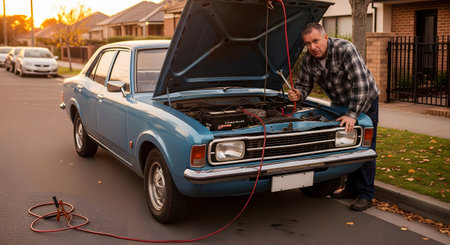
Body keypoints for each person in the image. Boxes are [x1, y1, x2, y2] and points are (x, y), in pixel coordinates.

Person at [288, 23, 380, 211]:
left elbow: (361, 85)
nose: (312, 47)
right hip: (339, 105)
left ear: (325, 37)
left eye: (315, 41)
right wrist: (298, 94)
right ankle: (350, 188)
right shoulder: (308, 60)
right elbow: (304, 86)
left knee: (364, 148)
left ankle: (365, 194)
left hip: (365, 102)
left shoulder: (345, 49)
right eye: (307, 44)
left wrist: (353, 114)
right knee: (346, 146)